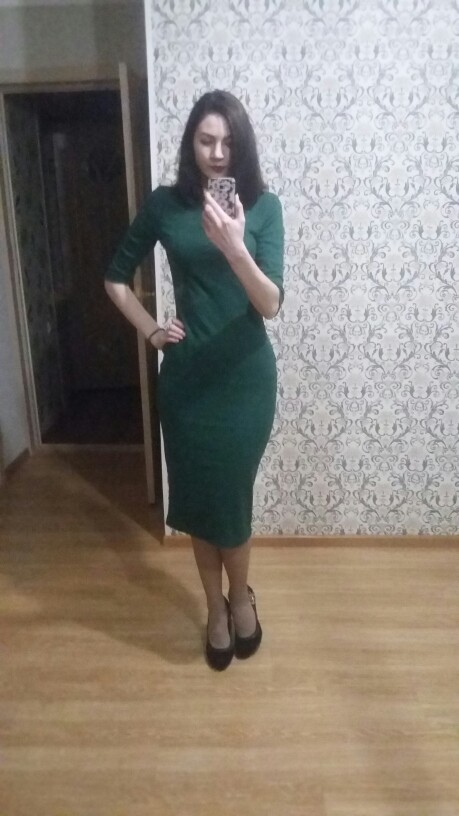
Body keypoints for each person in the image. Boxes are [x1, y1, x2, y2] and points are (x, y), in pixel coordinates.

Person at [105, 90, 284, 670]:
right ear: (191, 143)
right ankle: (215, 608)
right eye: (206, 140)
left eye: (228, 142)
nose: (217, 152)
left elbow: (270, 303)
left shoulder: (264, 208)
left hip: (245, 384)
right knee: (201, 503)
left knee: (230, 502)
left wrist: (235, 248)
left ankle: (241, 598)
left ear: (242, 147)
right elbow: (115, 278)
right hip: (187, 387)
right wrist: (154, 332)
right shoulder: (166, 204)